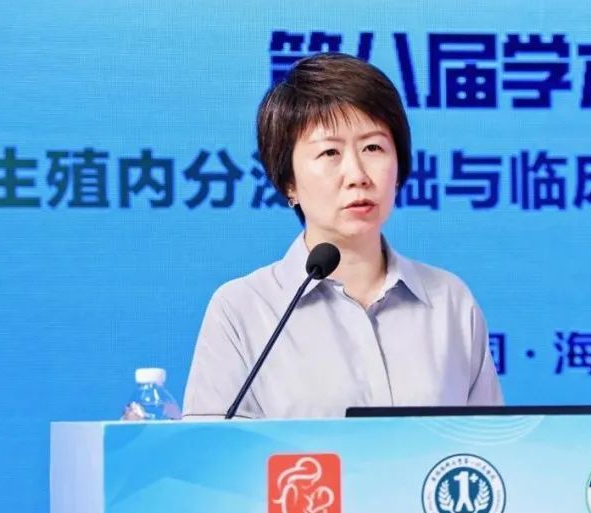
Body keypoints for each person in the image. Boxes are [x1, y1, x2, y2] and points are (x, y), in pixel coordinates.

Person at [182, 53, 503, 418]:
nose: (357, 175)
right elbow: (211, 449)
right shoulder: (243, 309)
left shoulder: (450, 301)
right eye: (330, 152)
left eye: (373, 148)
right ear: (289, 182)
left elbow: (490, 444)